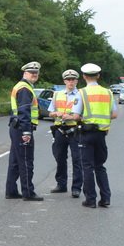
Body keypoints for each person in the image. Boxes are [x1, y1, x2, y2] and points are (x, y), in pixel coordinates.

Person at [72, 62, 118, 209]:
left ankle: (90, 199)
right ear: (98, 76)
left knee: (87, 166)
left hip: (86, 133)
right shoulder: (108, 92)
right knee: (100, 166)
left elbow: (76, 115)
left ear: (84, 76)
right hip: (101, 134)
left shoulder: (82, 93)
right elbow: (114, 114)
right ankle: (105, 198)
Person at [6, 61, 44, 201]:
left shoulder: (22, 86)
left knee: (15, 161)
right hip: (22, 128)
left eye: (36, 73)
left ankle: (11, 191)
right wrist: (27, 133)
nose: (34, 75)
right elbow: (24, 112)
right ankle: (28, 193)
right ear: (25, 73)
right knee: (27, 161)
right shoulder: (25, 89)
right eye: (31, 72)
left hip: (16, 128)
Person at [49, 69, 83, 197]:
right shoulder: (57, 94)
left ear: (76, 81)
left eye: (73, 79)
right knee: (59, 158)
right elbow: (50, 112)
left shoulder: (80, 95)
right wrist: (55, 114)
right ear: (64, 81)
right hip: (59, 130)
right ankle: (61, 184)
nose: (71, 82)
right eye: (68, 80)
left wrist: (73, 117)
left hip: (75, 131)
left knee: (77, 160)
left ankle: (76, 188)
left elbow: (84, 115)